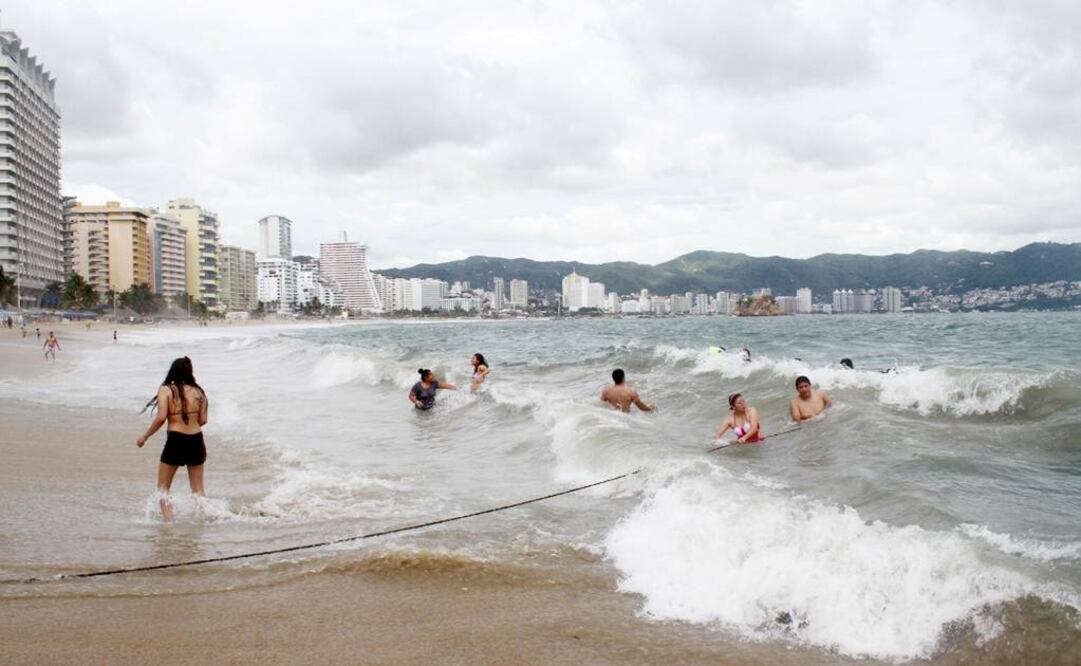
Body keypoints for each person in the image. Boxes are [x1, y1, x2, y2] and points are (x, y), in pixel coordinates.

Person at [136, 357, 208, 520]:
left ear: (173, 371)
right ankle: (202, 520)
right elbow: (203, 420)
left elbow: (161, 417)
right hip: (196, 440)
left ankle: (169, 523)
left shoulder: (166, 390)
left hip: (176, 440)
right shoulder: (199, 392)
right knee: (198, 490)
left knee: (163, 488)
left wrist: (145, 436)